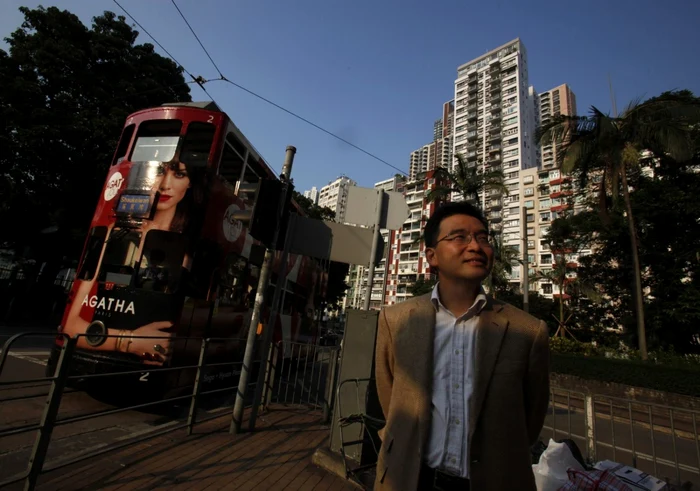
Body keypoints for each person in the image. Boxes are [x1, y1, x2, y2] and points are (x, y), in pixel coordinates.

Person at [374, 202, 550, 491]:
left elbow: (530, 422)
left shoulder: (528, 331)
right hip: (409, 478)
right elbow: (391, 401)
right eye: (459, 237)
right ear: (432, 256)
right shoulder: (395, 321)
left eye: (482, 238)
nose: (475, 246)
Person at [62, 156, 207, 364]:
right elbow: (70, 326)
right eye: (159, 171)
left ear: (190, 182)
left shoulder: (189, 249)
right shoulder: (117, 233)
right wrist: (128, 340)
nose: (165, 185)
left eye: (179, 174)